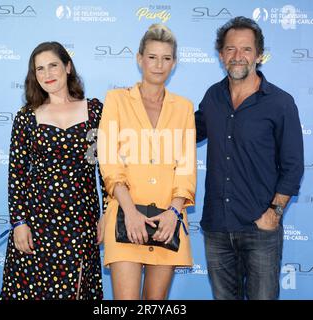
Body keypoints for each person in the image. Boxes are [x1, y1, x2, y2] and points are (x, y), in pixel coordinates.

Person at [195, 16, 304, 300]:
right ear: (221, 55)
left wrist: (275, 212)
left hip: (259, 229)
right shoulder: (212, 97)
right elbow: (184, 132)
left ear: (259, 55)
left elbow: (293, 166)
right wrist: (144, 108)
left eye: (246, 49)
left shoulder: (280, 102)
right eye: (230, 49)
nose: (238, 56)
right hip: (217, 228)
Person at [97, 24, 196, 300]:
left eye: (166, 58)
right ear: (139, 58)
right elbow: (109, 161)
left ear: (174, 63)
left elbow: (186, 166)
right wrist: (130, 212)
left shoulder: (184, 107)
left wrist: (173, 213)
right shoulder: (116, 100)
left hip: (167, 220)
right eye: (152, 57)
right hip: (124, 216)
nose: (158, 65)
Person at [0, 41, 105, 300]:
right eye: (40, 69)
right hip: (36, 222)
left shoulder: (95, 111)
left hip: (81, 221)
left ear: (68, 67)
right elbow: (17, 175)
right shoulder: (26, 117)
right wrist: (19, 222)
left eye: (53, 66)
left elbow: (106, 169)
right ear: (34, 76)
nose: (48, 74)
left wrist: (108, 213)